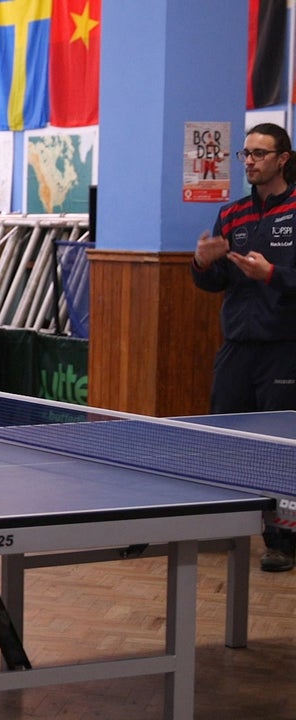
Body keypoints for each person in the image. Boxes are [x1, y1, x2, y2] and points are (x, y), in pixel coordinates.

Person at [192, 121, 296, 573]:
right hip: (236, 344)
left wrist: (273, 275)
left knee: (281, 447)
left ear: (282, 159)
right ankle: (222, 526)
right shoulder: (232, 214)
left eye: (259, 154)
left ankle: (281, 541)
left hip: (283, 346)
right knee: (225, 438)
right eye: (245, 154)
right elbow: (215, 283)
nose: (249, 161)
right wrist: (202, 263)